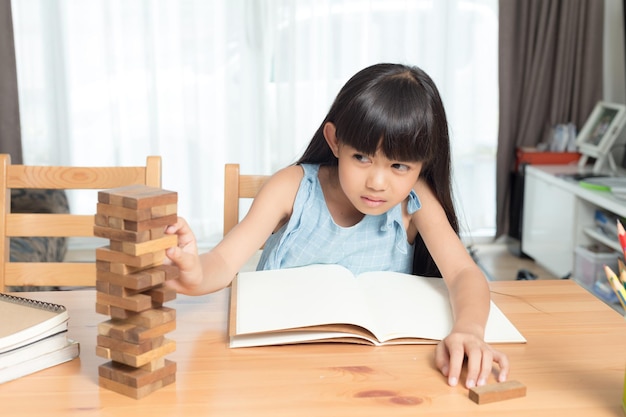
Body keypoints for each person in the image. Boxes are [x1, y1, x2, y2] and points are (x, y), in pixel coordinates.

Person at [164, 63, 509, 389]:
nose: (377, 182)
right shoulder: (292, 187)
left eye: (400, 166)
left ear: (423, 163)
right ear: (335, 140)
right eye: (362, 157)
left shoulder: (413, 202)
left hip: (375, 374)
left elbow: (464, 273)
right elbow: (224, 262)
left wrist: (469, 330)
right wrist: (195, 272)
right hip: (273, 366)